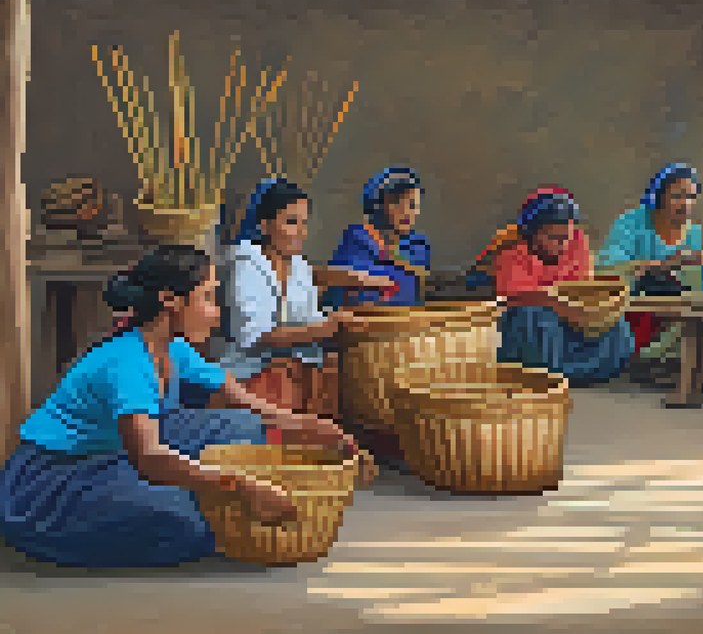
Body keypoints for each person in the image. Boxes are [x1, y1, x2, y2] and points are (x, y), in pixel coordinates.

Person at [0, 246, 358, 569]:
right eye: (207, 299)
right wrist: (241, 486)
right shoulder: (128, 362)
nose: (216, 314)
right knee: (193, 514)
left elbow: (235, 394)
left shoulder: (171, 346)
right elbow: (150, 457)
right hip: (56, 480)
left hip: (114, 452)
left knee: (245, 427)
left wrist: (307, 426)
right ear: (171, 302)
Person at [218, 179, 354, 423]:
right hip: (254, 375)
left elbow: (306, 321)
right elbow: (256, 336)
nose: (300, 231)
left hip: (301, 373)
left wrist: (333, 325)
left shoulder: (299, 267)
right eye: (291, 222)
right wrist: (326, 328)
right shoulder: (246, 264)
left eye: (304, 223)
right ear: (265, 225)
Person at [484, 187, 635, 386]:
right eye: (553, 238)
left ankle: (582, 372)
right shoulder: (512, 253)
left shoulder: (578, 242)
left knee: (616, 324)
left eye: (566, 237)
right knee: (535, 316)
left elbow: (582, 287)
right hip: (530, 329)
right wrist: (558, 302)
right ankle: (543, 372)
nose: (562, 245)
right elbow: (516, 296)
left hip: (571, 319)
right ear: (533, 234)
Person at [597, 163, 703, 369]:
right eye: (678, 195)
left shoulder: (692, 231)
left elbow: (691, 272)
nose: (685, 203)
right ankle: (653, 358)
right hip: (635, 299)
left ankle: (701, 356)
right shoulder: (632, 222)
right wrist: (654, 265)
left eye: (691, 197)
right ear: (658, 195)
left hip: (676, 297)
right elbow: (608, 266)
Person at [323, 166, 431, 308]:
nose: (405, 212)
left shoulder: (417, 247)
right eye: (396, 203)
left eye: (412, 205)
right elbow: (344, 297)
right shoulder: (357, 241)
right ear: (377, 204)